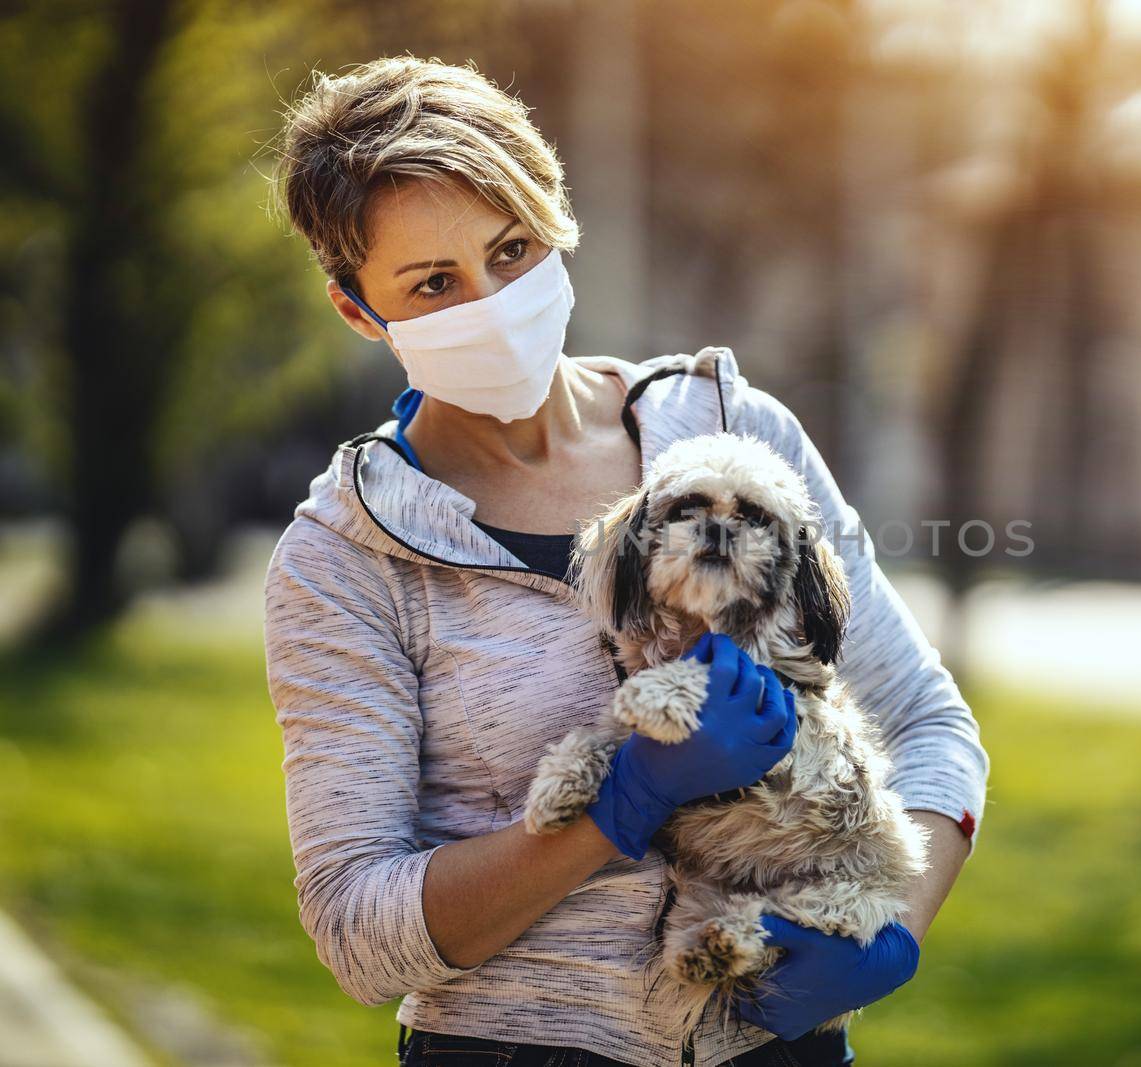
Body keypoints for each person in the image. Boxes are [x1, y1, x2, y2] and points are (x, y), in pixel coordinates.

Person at [262, 56, 990, 1067]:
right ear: (357, 308)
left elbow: (926, 721)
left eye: (512, 249)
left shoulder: (734, 433)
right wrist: (617, 806)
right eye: (434, 283)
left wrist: (892, 923)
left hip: (775, 1043)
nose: (490, 299)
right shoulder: (343, 558)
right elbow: (356, 925)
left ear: (557, 219)